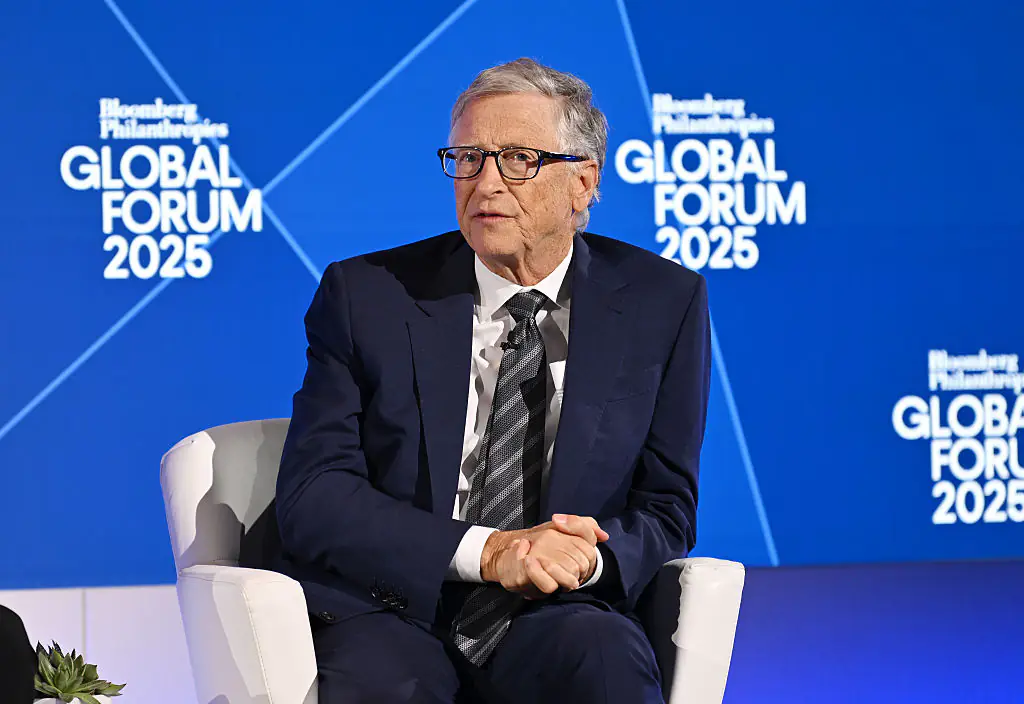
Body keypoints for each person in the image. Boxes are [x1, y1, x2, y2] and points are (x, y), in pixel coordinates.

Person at [273, 57, 710, 704]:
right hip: (397, 604)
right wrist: (488, 550)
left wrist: (588, 557)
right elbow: (315, 495)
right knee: (382, 683)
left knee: (605, 661)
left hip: (559, 607)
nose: (485, 184)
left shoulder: (662, 301)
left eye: (519, 160)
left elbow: (666, 504)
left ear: (584, 182)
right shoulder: (368, 296)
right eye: (468, 158)